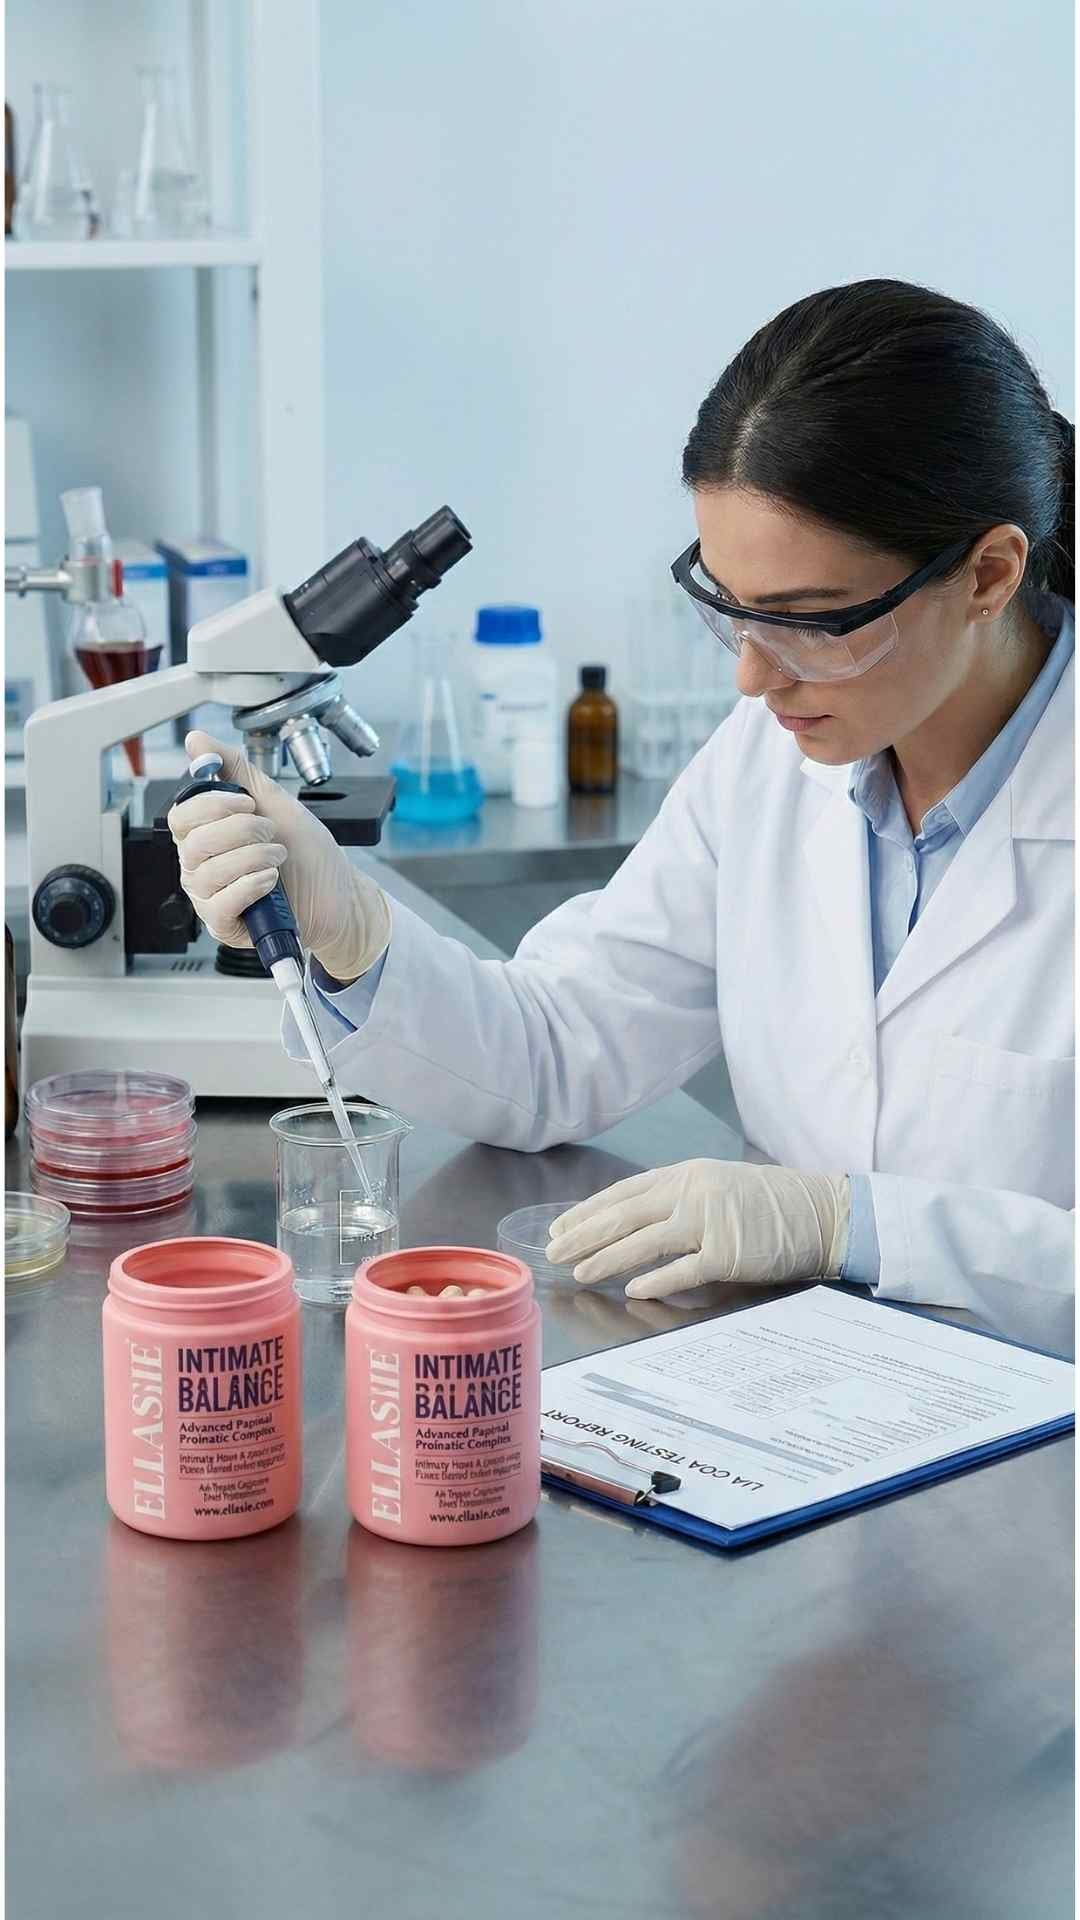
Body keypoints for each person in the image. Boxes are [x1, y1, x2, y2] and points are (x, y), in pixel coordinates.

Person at [170, 279, 1074, 1350]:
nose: (752, 678)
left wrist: (854, 1226)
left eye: (809, 622)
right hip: (818, 1402)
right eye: (725, 607)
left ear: (988, 573)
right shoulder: (778, 757)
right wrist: (351, 934)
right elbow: (563, 1050)